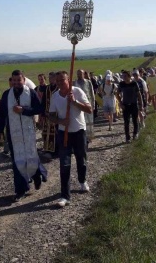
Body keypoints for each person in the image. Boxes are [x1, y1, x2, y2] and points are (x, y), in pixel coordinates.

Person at [0, 70, 47, 202]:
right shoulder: (7, 94)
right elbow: (2, 114)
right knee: (17, 160)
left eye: (19, 80)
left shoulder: (30, 92)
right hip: (14, 134)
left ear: (24, 80)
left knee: (30, 156)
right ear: (11, 81)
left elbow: (39, 109)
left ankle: (36, 175)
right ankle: (21, 190)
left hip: (28, 131)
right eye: (14, 80)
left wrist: (24, 110)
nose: (16, 83)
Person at [49, 71, 92, 208]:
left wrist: (74, 102)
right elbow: (50, 116)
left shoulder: (77, 91)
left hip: (79, 131)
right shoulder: (55, 96)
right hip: (64, 133)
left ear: (69, 79)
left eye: (63, 80)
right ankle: (65, 196)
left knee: (81, 159)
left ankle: (82, 180)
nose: (61, 83)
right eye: (58, 81)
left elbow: (89, 109)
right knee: (64, 164)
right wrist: (61, 121)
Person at [116, 71, 144, 143]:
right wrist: (121, 103)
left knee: (135, 120)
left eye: (125, 76)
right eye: (123, 76)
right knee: (126, 122)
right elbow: (117, 94)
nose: (124, 78)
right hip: (125, 105)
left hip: (134, 104)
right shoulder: (121, 84)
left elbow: (139, 94)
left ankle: (135, 133)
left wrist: (141, 104)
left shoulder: (134, 83)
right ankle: (127, 137)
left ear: (129, 76)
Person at [73, 69, 95, 144]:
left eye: (80, 74)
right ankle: (83, 136)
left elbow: (92, 94)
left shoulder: (88, 82)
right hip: (78, 105)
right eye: (78, 74)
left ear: (83, 74)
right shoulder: (75, 82)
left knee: (89, 121)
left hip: (88, 104)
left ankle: (89, 136)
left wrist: (93, 104)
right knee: (81, 120)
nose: (79, 75)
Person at [40, 72, 59, 158]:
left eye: (52, 77)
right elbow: (43, 101)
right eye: (50, 77)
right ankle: (47, 149)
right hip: (47, 115)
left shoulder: (58, 88)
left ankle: (56, 151)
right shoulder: (47, 88)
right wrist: (43, 113)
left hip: (56, 115)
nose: (51, 79)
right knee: (46, 133)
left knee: (55, 133)